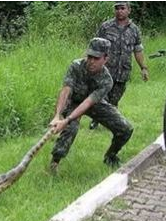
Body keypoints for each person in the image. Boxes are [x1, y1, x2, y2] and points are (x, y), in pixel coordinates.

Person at [49, 37, 133, 173]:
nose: (91, 61)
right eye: (90, 56)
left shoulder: (107, 80)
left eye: (96, 58)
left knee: (125, 128)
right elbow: (66, 90)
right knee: (71, 128)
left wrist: (67, 119)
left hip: (94, 104)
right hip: (74, 102)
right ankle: (55, 162)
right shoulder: (76, 66)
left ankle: (110, 156)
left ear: (106, 59)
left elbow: (89, 102)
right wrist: (58, 116)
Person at [89, 1, 148, 130]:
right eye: (117, 8)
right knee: (101, 96)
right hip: (105, 70)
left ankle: (111, 123)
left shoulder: (134, 30)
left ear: (129, 10)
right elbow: (95, 47)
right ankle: (96, 121)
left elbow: (137, 50)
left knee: (114, 100)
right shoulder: (106, 27)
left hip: (123, 72)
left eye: (122, 8)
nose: (119, 11)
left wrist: (143, 68)